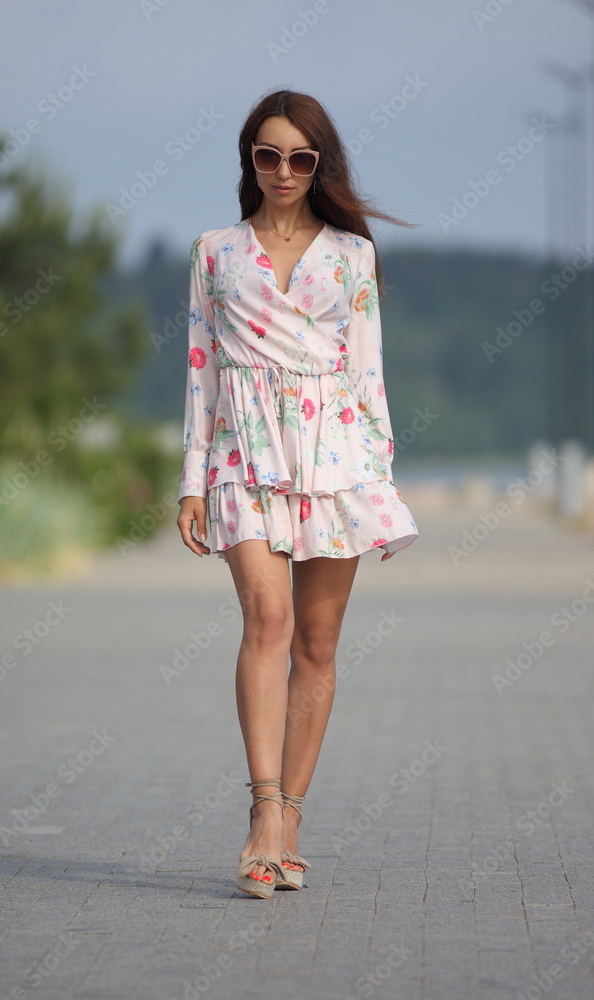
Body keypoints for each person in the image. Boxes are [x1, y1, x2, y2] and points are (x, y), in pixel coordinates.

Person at [176, 88, 419, 898]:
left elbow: (367, 372)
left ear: (320, 165)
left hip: (334, 461)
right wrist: (191, 481)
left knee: (316, 644)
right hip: (241, 453)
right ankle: (261, 814)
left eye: (300, 158)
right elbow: (200, 370)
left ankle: (290, 819)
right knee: (267, 619)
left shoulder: (351, 255)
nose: (283, 171)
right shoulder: (214, 252)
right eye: (268, 155)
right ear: (249, 160)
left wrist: (379, 485)